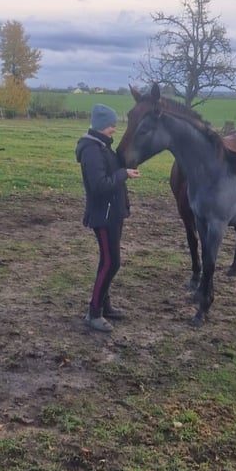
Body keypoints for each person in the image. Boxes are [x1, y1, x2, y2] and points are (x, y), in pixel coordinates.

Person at [75, 103, 140, 332]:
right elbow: (99, 186)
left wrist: (126, 168)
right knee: (111, 262)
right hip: (103, 216)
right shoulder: (92, 150)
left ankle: (104, 304)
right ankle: (94, 313)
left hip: (113, 214)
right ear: (102, 125)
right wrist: (123, 174)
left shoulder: (102, 146)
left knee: (107, 261)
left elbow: (111, 173)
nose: (114, 128)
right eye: (112, 125)